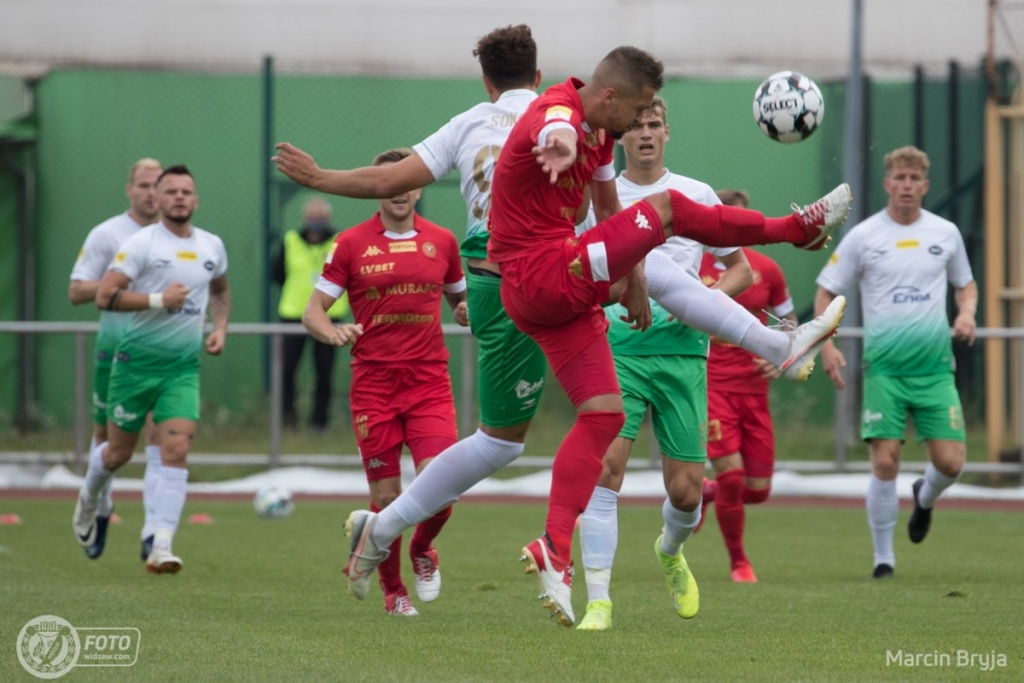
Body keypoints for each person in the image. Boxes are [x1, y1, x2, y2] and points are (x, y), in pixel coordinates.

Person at [336, 45, 851, 628]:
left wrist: (631, 276)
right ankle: (794, 238)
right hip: (543, 275)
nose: (638, 127)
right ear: (603, 96)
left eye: (651, 120)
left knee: (557, 427)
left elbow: (604, 202)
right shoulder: (557, 110)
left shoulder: (592, 133)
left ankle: (470, 539)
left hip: (534, 291)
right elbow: (555, 122)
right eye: (635, 114)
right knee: (668, 213)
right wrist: (560, 142)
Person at [575, 98, 752, 631]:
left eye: (654, 125)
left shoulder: (695, 195)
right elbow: (578, 266)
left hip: (683, 354)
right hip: (617, 350)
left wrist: (701, 302)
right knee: (605, 470)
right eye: (636, 126)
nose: (646, 134)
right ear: (621, 137)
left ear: (667, 133)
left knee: (686, 492)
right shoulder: (601, 198)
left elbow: (741, 269)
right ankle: (599, 602)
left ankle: (670, 551)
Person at [302, 148, 468, 616]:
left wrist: (464, 310)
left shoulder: (442, 241)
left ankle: (423, 549)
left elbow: (460, 300)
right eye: (388, 180)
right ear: (376, 188)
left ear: (418, 187)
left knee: (442, 486)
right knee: (386, 497)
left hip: (428, 382)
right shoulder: (351, 243)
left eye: (407, 180)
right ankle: (394, 592)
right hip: (374, 386)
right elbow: (313, 311)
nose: (399, 189)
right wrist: (331, 331)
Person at [814, 145, 976, 580]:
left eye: (914, 178)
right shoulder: (865, 236)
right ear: (887, 184)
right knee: (885, 462)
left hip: (934, 369)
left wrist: (966, 313)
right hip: (884, 369)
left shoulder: (945, 233)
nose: (906, 185)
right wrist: (826, 344)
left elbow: (966, 284)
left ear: (925, 185)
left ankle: (925, 497)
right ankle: (883, 560)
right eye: (899, 178)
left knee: (951, 464)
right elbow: (826, 291)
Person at [72, 165, 231, 575]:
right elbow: (105, 296)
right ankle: (90, 498)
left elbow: (220, 290)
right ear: (157, 200)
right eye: (171, 191)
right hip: (133, 366)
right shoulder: (140, 244)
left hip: (182, 369)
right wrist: (160, 301)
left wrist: (220, 328)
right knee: (118, 453)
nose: (179, 197)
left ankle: (161, 545)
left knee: (176, 451)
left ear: (196, 200)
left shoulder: (212, 245)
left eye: (186, 192)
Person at [68, 158, 166, 561]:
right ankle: (101, 507)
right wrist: (123, 287)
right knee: (108, 443)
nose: (151, 193)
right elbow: (76, 291)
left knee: (163, 437)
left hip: (161, 353)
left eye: (158, 185)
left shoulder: (181, 239)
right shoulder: (107, 234)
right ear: (130, 189)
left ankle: (154, 533)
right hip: (115, 350)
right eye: (143, 185)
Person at [697, 188, 797, 585]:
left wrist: (781, 357)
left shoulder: (767, 269)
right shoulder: (693, 266)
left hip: (754, 391)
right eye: (727, 219)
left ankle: (705, 493)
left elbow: (790, 326)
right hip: (711, 386)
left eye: (742, 220)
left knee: (757, 490)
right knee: (732, 477)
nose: (735, 228)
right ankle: (739, 562)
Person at [271, 197, 349, 431]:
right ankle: (288, 419)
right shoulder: (290, 240)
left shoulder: (339, 242)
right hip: (293, 314)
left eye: (320, 218)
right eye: (312, 218)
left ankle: (319, 422)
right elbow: (277, 274)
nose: (316, 222)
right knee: (286, 369)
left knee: (324, 371)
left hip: (329, 315)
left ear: (328, 218)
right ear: (305, 218)